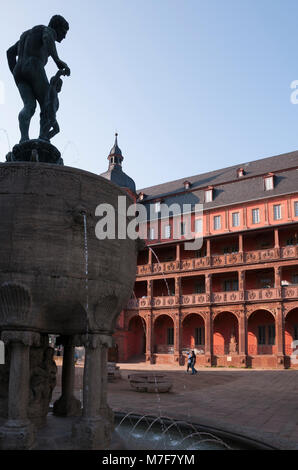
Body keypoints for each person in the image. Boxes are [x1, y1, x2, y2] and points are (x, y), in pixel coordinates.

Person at [7, 15, 70, 143]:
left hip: (19, 71)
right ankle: (43, 139)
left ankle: (24, 139)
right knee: (47, 104)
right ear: (57, 27)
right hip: (34, 65)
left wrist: (15, 72)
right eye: (64, 31)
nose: (64, 36)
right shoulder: (47, 30)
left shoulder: (28, 35)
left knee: (29, 106)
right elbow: (47, 36)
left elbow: (10, 52)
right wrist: (57, 60)